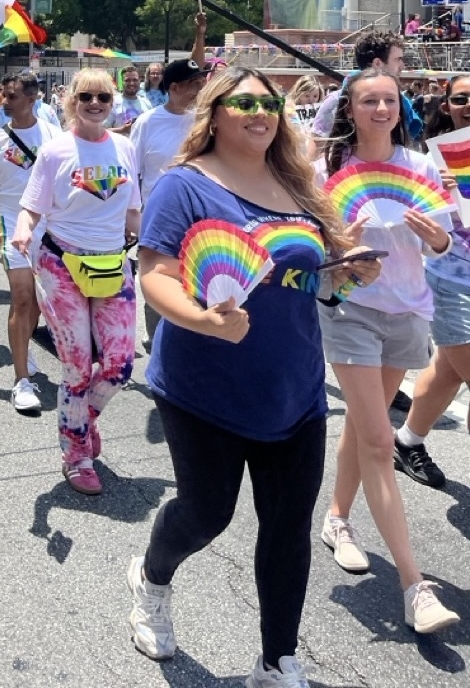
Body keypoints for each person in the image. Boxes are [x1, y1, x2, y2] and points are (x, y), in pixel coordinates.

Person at [127, 66, 379, 682]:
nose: (260, 113)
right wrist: (204, 320)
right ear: (214, 114)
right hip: (203, 386)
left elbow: (310, 276)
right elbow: (155, 274)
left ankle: (276, 660)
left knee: (289, 530)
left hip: (293, 389)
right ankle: (151, 578)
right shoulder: (184, 186)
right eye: (243, 102)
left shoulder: (297, 186)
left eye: (270, 105)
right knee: (206, 514)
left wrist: (346, 272)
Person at [316, 68, 458, 636]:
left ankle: (337, 517)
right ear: (350, 110)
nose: (381, 109)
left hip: (409, 309)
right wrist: (343, 248)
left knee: (363, 422)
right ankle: (413, 586)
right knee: (379, 439)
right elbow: (316, 249)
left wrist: (436, 237)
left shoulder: (423, 165)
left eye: (389, 100)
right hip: (352, 309)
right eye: (369, 101)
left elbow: (450, 239)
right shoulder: (329, 170)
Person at [12, 68, 141, 496]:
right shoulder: (55, 152)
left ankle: (81, 421)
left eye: (103, 97)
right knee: (77, 366)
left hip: (112, 265)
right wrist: (23, 230)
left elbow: (134, 212)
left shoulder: (124, 147)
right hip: (61, 264)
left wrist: (157, 239)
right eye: (86, 96)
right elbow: (31, 207)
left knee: (120, 365)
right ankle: (76, 455)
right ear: (71, 101)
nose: (95, 104)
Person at [394, 74, 470, 488]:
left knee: (448, 372)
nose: (469, 104)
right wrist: (437, 193)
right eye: (461, 98)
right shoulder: (427, 163)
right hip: (454, 282)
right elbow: (409, 220)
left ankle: (407, 441)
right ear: (446, 106)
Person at [0, 71, 61, 412]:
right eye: (3, 94)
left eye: (11, 95)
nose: (4, 101)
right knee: (23, 297)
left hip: (50, 226)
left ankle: (24, 350)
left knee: (40, 301)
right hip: (12, 222)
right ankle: (21, 380)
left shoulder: (55, 137)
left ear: (32, 99)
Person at [131, 57, 209, 350]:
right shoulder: (148, 122)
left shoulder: (205, 121)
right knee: (159, 278)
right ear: (175, 88)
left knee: (197, 281)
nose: (201, 89)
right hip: (157, 215)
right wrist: (133, 216)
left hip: (200, 216)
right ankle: (158, 342)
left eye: (202, 83)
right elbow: (132, 171)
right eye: (194, 85)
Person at [107, 66, 150, 134]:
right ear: (122, 82)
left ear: (139, 81)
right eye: (127, 80)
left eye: (135, 80)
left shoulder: (146, 103)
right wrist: (122, 130)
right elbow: (102, 131)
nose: (131, 83)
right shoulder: (112, 103)